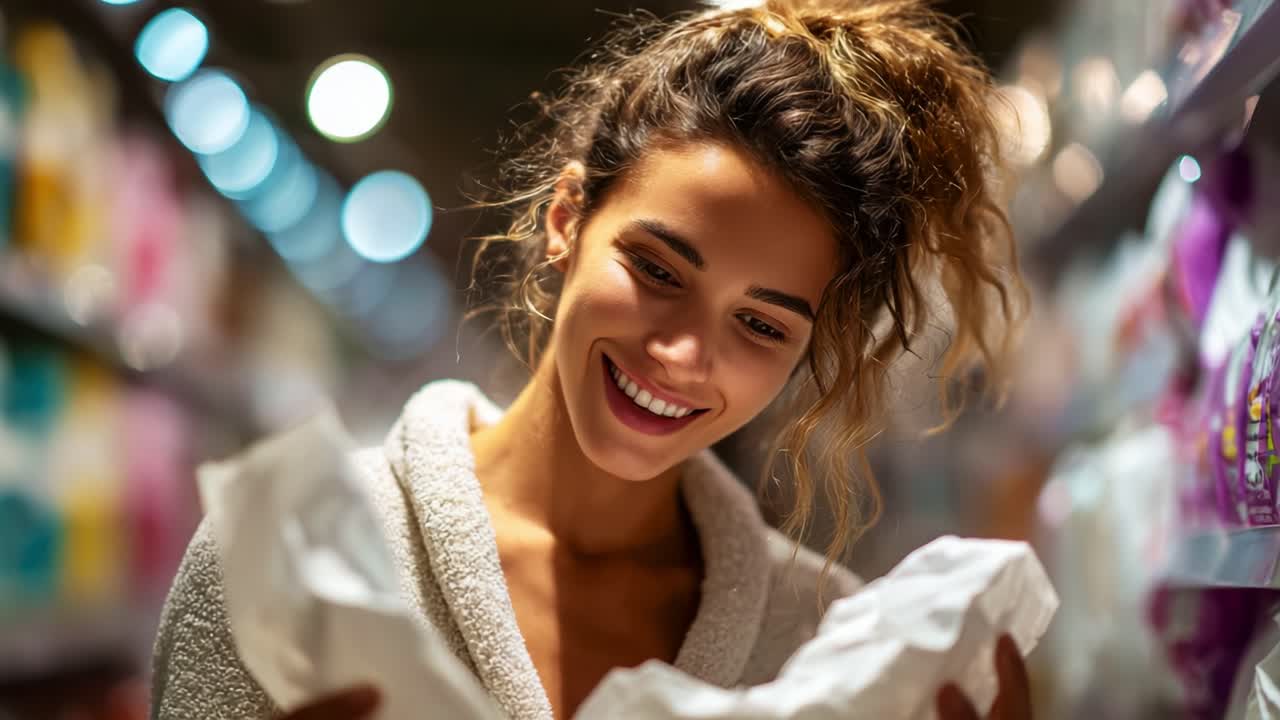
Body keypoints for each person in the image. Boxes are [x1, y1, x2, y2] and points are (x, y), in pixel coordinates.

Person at [151, 0, 1028, 718]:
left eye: (762, 327)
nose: (683, 354)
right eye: (655, 269)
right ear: (568, 217)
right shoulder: (301, 566)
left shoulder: (828, 646)